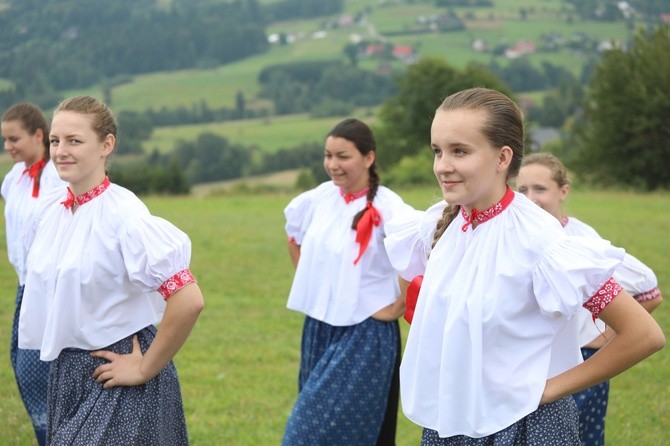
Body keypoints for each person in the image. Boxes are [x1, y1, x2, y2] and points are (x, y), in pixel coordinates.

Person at [383, 87, 665, 445]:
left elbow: (644, 334)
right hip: (454, 422)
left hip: (526, 428)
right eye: (438, 151)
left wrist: (549, 390)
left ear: (502, 157)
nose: (443, 166)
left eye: (460, 151)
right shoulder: (440, 224)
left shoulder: (540, 240)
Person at [18, 96, 205, 445]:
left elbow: (189, 299)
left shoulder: (125, 217)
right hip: (67, 373)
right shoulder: (48, 214)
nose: (60, 151)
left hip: (118, 368)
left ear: (107, 145)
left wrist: (145, 367)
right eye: (55, 141)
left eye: (74, 141)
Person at [516, 152, 663, 446]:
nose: (530, 198)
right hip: (530, 359)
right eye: (522, 190)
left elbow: (649, 289)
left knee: (580, 435)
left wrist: (602, 336)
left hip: (577, 361)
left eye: (540, 189)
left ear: (563, 191)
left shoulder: (579, 239)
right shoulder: (518, 232)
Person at [281, 118, 410, 445]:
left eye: (343, 156)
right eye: (328, 156)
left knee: (309, 434)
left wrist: (397, 307)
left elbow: (420, 256)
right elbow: (293, 237)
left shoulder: (390, 207)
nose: (332, 165)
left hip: (364, 334)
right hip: (319, 328)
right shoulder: (318, 199)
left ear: (368, 158)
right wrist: (315, 284)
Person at [1, 102, 67, 445]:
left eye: (14, 138)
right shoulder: (14, 178)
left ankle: (56, 436)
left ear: (38, 135)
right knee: (22, 364)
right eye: (4, 140)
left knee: (36, 370)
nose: (8, 146)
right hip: (26, 285)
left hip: (52, 286)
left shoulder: (59, 176)